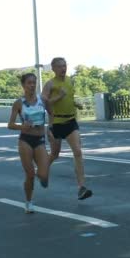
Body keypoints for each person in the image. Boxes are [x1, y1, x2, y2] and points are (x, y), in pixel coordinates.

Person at [41, 57, 92, 200]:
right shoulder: (50, 84)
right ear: (53, 68)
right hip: (56, 123)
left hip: (70, 121)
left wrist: (76, 104)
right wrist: (59, 96)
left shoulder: (70, 81)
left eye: (64, 66)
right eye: (59, 66)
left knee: (78, 152)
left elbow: (68, 98)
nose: (63, 69)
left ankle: (81, 187)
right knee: (54, 154)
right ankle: (42, 171)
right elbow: (45, 103)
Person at [8, 73, 50, 213]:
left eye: (34, 82)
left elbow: (52, 114)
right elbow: (10, 124)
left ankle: (41, 176)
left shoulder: (42, 99)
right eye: (29, 83)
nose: (32, 85)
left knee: (44, 175)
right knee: (30, 174)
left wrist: (51, 129)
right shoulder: (19, 103)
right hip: (25, 139)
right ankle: (29, 202)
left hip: (40, 140)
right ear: (23, 85)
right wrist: (22, 126)